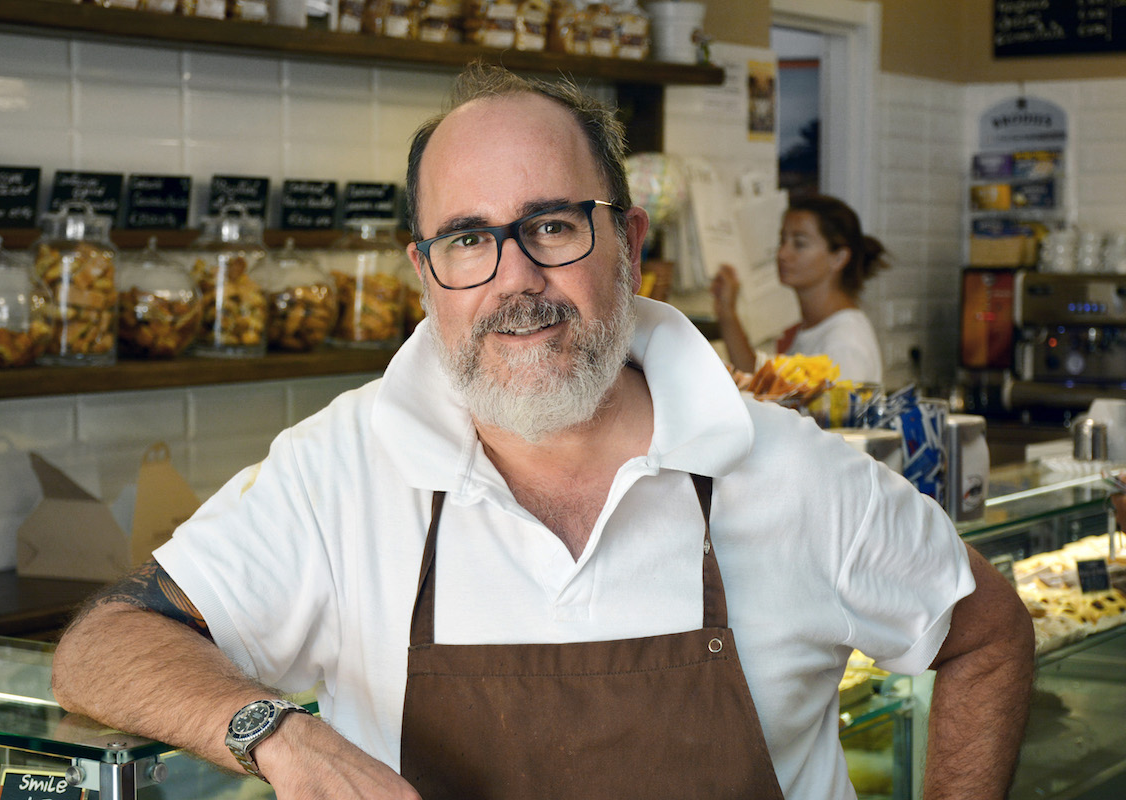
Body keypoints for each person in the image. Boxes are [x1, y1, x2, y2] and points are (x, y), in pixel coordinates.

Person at [51, 64, 1034, 800]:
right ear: (425, 273)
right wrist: (274, 730)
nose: (513, 278)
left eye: (553, 226)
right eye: (468, 239)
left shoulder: (788, 468)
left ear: (631, 246)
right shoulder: (339, 470)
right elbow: (101, 645)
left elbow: (987, 632)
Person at [712, 195, 887, 384]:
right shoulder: (816, 326)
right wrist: (726, 311)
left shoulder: (844, 343)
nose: (782, 254)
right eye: (782, 241)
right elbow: (759, 382)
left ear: (839, 258)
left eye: (799, 243)